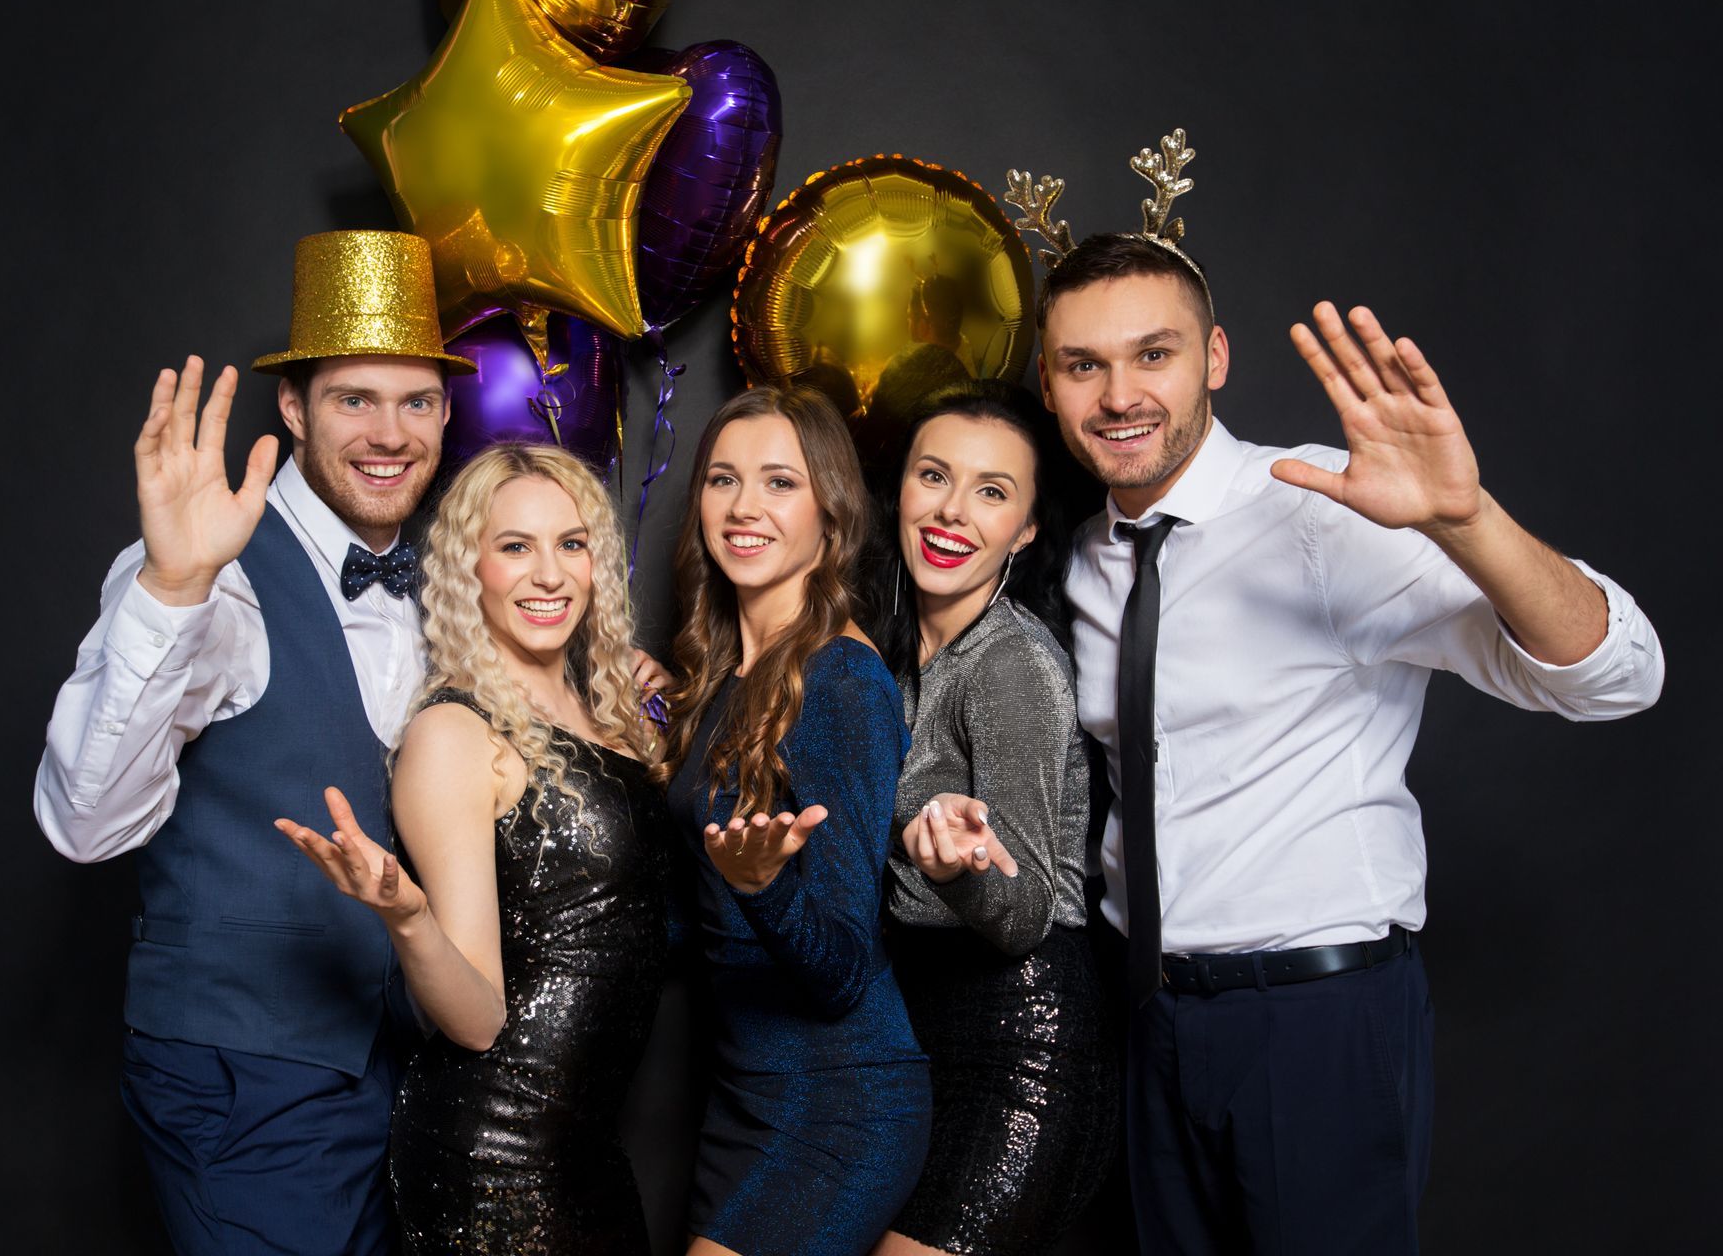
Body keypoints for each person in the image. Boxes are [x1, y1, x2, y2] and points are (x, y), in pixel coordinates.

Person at [1036, 141, 1666, 1253]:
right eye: (1082, 364)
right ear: (1048, 382)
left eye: (1154, 354)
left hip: (1316, 1023)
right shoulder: (1082, 561)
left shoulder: (1331, 513)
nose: (1120, 393)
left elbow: (1620, 675)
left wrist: (1464, 520)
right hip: (1147, 1022)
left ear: (1215, 356)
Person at [33, 230, 477, 1253]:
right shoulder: (211, 574)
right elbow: (83, 820)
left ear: (448, 413)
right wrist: (174, 585)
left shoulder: (443, 587)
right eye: (352, 398)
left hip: (403, 1084)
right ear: (292, 407)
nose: (389, 431)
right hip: (246, 1082)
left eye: (416, 400)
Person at [276, 443, 669, 1255]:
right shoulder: (455, 734)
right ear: (470, 569)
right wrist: (410, 919)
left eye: (572, 543)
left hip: (587, 1145)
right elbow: (479, 1020)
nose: (549, 574)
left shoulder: (613, 716)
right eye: (515, 547)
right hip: (499, 1154)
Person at [658, 384, 932, 1256]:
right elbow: (686, 921)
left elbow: (843, 969)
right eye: (722, 479)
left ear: (832, 513)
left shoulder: (842, 683)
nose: (744, 507)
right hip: (741, 1095)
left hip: (837, 1103)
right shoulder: (722, 681)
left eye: (780, 482)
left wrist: (763, 887)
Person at [869, 380, 1119, 1256]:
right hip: (920, 1041)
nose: (952, 512)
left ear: (1026, 530)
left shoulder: (1011, 664)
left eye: (992, 492)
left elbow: (1022, 916)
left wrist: (958, 866)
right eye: (934, 476)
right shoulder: (889, 651)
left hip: (1022, 1047)